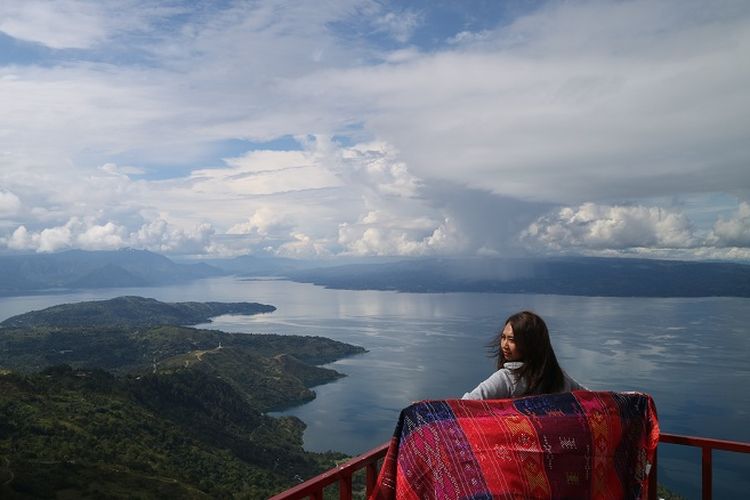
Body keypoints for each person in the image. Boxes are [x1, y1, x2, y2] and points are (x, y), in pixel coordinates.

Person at [462, 310, 586, 400]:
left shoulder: (507, 379)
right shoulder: (560, 378)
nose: (505, 345)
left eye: (512, 340)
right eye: (503, 338)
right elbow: (593, 398)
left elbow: (465, 404)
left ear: (530, 344)